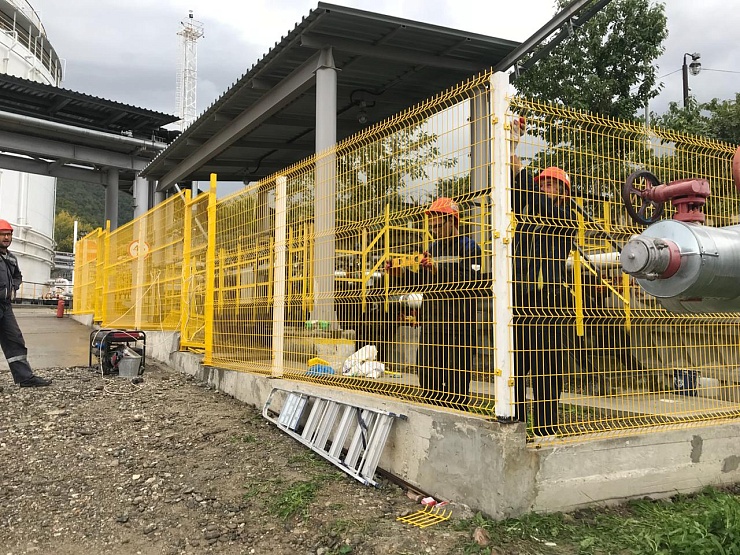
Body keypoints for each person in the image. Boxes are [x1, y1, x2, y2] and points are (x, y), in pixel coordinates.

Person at [387, 197, 482, 408]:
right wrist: (401, 275)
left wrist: (439, 269)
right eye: (432, 226)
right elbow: (424, 282)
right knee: (428, 380)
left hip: (459, 327)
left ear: (453, 221)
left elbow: (471, 282)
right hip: (432, 326)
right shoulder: (433, 249)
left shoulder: (470, 248)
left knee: (456, 387)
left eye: (438, 226)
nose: (434, 230)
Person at [512, 167, 576, 436]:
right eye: (541, 184)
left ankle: (545, 429)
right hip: (520, 302)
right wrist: (510, 167)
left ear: (563, 193)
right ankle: (514, 426)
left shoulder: (566, 217)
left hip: (549, 302)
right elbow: (515, 199)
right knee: (515, 369)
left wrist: (521, 170)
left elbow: (544, 207)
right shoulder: (527, 220)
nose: (542, 187)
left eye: (550, 184)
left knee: (546, 370)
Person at [0, 219, 52, 387]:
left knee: (14, 340)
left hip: (5, 306)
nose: (6, 237)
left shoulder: (11, 258)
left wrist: (13, 287)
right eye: (2, 234)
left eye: (8, 234)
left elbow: (17, 276)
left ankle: (25, 378)